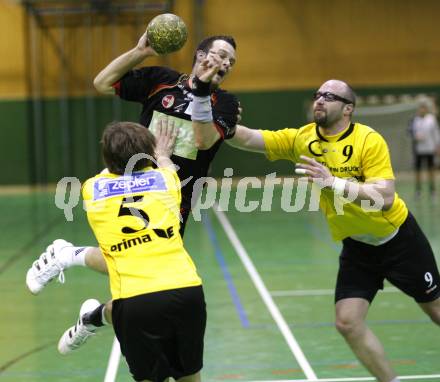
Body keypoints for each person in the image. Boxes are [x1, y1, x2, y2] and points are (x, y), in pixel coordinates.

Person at [195, 79, 440, 382]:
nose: (319, 100)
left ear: (348, 108)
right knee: (347, 322)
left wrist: (332, 182)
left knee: (436, 312)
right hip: (357, 247)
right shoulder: (303, 138)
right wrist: (221, 125)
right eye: (317, 95)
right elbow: (250, 139)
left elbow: (385, 197)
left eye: (329, 96)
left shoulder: (368, 140)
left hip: (398, 240)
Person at [25, 30, 239, 352]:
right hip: (130, 183)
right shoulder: (161, 80)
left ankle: (90, 308)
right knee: (140, 266)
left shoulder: (225, 103)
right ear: (200, 54)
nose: (224, 62)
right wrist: (140, 51)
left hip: (174, 198)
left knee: (144, 277)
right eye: (220, 54)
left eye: (231, 61)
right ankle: (70, 259)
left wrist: (202, 91)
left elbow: (203, 140)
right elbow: (101, 82)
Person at [62, 119, 206, 382]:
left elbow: (112, 172)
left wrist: (122, 154)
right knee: (190, 377)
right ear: (148, 154)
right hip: (186, 292)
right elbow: (162, 163)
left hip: (135, 303)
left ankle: (68, 257)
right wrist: (161, 153)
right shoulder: (167, 181)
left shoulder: (92, 190)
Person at [408, 100, 440, 197]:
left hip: (429, 149)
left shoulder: (431, 119)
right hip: (419, 150)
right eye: (420, 108)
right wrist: (415, 136)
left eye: (424, 108)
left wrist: (437, 146)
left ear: (426, 109)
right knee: (418, 170)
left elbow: (436, 134)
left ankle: (432, 189)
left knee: (431, 169)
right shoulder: (414, 120)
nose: (422, 110)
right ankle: (418, 190)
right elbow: (409, 132)